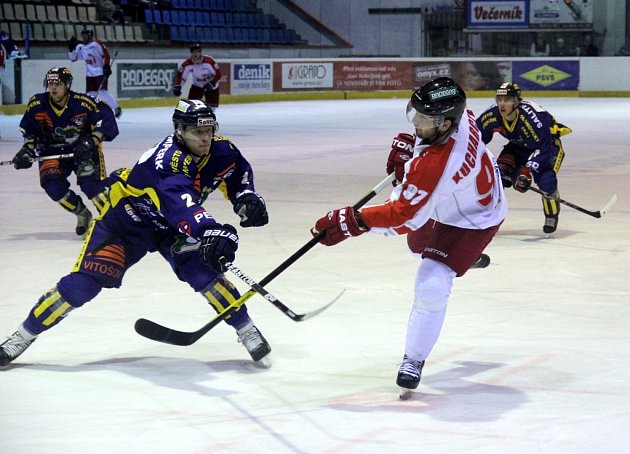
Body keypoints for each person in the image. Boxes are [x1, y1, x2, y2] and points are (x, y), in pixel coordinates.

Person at [0, 100, 272, 368]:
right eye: (197, 132)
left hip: (170, 226)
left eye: (209, 130)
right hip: (127, 219)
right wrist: (208, 230)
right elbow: (179, 202)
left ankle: (246, 329)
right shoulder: (167, 161)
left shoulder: (222, 150)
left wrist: (246, 197)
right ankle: (22, 336)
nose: (205, 138)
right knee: (83, 285)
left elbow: (237, 175)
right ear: (179, 131)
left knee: (204, 273)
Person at [311, 77, 507, 396]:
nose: (415, 123)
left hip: (473, 220)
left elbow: (404, 216)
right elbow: (420, 186)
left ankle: (413, 359)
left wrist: (351, 221)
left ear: (445, 124)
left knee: (431, 283)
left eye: (423, 120)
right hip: (455, 198)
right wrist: (411, 154)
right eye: (413, 115)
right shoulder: (461, 117)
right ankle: (462, 260)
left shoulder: (441, 163)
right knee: (417, 246)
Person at [11, 67, 119, 237]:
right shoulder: (37, 104)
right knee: (52, 185)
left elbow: (106, 120)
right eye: (50, 83)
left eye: (58, 83)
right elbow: (29, 131)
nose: (53, 88)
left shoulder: (82, 102)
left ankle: (116, 224)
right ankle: (82, 213)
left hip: (82, 150)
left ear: (67, 85)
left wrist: (91, 141)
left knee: (91, 185)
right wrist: (26, 151)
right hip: (51, 151)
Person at [475, 82, 572, 235]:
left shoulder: (534, 119)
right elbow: (476, 137)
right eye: (499, 100)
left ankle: (551, 215)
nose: (502, 104)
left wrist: (526, 171)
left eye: (506, 100)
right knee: (498, 176)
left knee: (546, 181)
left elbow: (543, 148)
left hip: (548, 147)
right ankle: (486, 217)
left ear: (516, 101)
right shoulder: (492, 115)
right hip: (519, 146)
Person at [68, 28, 122, 119]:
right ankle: (89, 112)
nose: (84, 37)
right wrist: (71, 49)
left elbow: (106, 55)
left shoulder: (97, 44)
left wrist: (106, 66)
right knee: (90, 94)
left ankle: (116, 108)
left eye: (86, 35)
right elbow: (73, 58)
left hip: (99, 72)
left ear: (90, 35)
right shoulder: (80, 47)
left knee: (103, 92)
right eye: (83, 35)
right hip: (89, 75)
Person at [173, 43, 222, 110]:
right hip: (197, 85)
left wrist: (212, 83)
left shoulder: (209, 61)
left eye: (197, 52)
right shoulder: (187, 64)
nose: (195, 54)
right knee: (190, 104)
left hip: (212, 86)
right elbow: (181, 76)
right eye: (193, 52)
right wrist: (178, 86)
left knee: (212, 108)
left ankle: (207, 118)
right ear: (191, 53)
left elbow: (218, 74)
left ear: (200, 52)